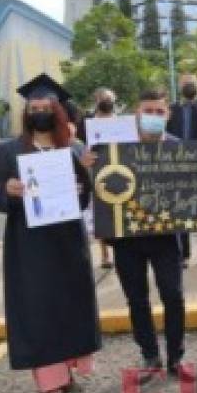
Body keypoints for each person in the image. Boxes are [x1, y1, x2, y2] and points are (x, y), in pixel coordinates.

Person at [0, 75, 100, 393]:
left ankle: (72, 364)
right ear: (26, 113)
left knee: (70, 301)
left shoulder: (74, 149)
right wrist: (7, 190)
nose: (40, 113)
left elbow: (85, 199)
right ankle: (50, 378)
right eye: (34, 108)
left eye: (47, 108)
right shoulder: (8, 151)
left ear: (59, 112)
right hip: (29, 243)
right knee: (38, 304)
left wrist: (83, 185)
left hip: (67, 239)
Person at [85, 87, 194, 382]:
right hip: (126, 238)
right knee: (136, 299)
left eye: (160, 112)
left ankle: (176, 357)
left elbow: (192, 194)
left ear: (168, 115)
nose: (154, 116)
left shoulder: (178, 148)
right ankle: (149, 356)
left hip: (166, 238)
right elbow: (95, 189)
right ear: (137, 113)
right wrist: (87, 169)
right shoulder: (113, 150)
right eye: (148, 111)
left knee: (173, 295)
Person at [167, 72, 197, 266]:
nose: (189, 86)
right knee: (181, 209)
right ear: (180, 87)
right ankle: (183, 254)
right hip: (178, 164)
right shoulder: (172, 109)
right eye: (185, 83)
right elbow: (167, 133)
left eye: (192, 83)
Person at [90, 88, 117, 270]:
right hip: (97, 172)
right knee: (101, 214)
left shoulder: (122, 122)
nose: (106, 100)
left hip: (118, 170)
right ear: (96, 101)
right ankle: (104, 255)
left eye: (109, 98)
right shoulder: (89, 124)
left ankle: (118, 251)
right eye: (103, 98)